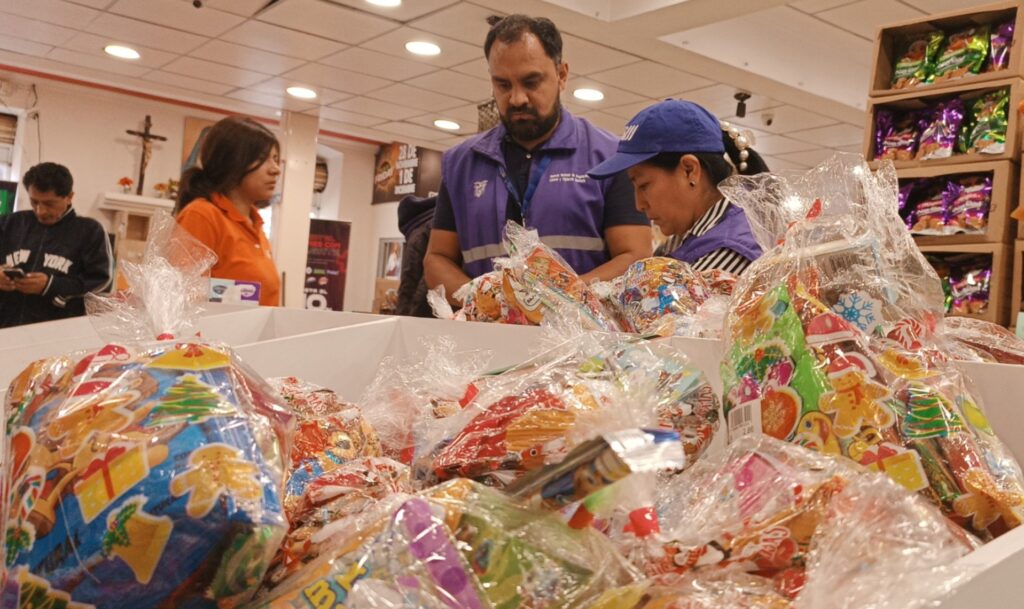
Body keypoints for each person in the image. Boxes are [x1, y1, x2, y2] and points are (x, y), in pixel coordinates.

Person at [424, 14, 652, 301]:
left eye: (531, 82)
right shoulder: (460, 163)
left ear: (562, 75)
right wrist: (484, 302)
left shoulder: (609, 156)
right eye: (503, 85)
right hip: (484, 335)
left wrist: (559, 301)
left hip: (582, 338)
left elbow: (636, 257)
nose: (517, 98)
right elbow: (437, 259)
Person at [588, 99, 769, 274]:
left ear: (690, 170)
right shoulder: (686, 239)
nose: (639, 204)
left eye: (643, 186)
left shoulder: (730, 251)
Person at [175, 116, 281, 306]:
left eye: (275, 159)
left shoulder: (255, 223)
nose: (276, 169)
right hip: (218, 334)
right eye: (262, 159)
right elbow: (180, 295)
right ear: (232, 161)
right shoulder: (202, 215)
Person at [0, 162, 112, 328]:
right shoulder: (10, 223)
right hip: (5, 324)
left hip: (58, 331)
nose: (40, 211)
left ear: (69, 197)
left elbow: (102, 283)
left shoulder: (90, 231)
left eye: (49, 204)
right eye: (34, 202)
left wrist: (51, 285)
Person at [396, 194, 436, 317]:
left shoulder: (419, 233)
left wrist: (406, 316)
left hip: (425, 314)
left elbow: (410, 280)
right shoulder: (437, 223)